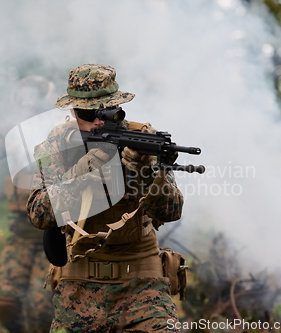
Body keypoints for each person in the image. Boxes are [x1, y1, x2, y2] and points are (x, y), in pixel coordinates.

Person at [27, 64, 184, 332]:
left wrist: (146, 174)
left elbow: (171, 211)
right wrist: (83, 174)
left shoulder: (141, 140)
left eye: (108, 111)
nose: (99, 121)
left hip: (142, 286)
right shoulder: (57, 144)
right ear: (74, 112)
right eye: (89, 113)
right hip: (78, 288)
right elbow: (39, 214)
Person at [0, 76, 56, 333]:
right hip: (20, 235)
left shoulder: (61, 129)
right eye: (24, 95)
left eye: (34, 95)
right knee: (3, 302)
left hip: (54, 237)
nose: (28, 100)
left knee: (41, 310)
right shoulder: (14, 130)